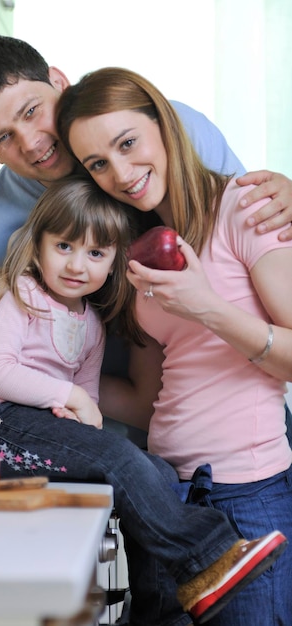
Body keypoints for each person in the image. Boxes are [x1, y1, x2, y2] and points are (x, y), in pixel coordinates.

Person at [0, 172, 286, 626]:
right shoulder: (20, 294)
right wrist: (68, 397)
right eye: (63, 247)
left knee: (159, 472)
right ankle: (208, 556)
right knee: (119, 459)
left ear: (114, 264)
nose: (76, 265)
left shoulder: (90, 325)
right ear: (38, 245)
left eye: (95, 253)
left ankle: (161, 610)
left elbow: (87, 396)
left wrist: (81, 417)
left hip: (39, 430)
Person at [0, 35, 292, 422]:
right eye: (3, 139)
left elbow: (253, 230)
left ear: (59, 82)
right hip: (110, 434)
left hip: (247, 411)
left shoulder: (171, 131)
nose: (31, 142)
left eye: (31, 111)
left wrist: (283, 196)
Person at [55, 66, 292, 625]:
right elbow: (146, 398)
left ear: (164, 124)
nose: (121, 172)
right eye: (98, 164)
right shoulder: (138, 257)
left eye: (128, 143)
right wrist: (41, 376)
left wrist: (204, 303)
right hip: (165, 498)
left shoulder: (246, 205)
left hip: (247, 495)